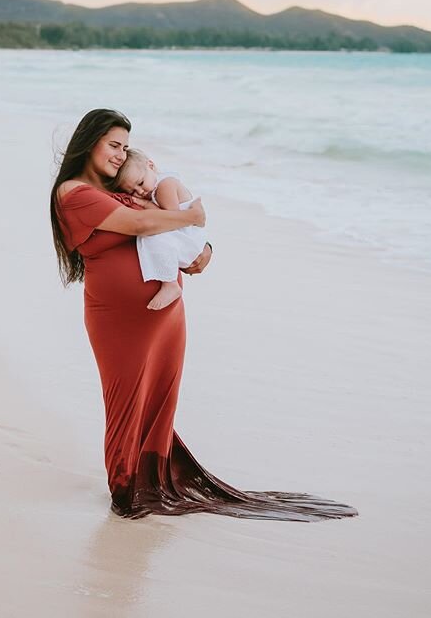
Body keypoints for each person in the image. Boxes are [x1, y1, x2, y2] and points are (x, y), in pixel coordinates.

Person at [50, 107, 357, 521]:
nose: (121, 155)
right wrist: (192, 217)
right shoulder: (74, 192)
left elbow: (162, 219)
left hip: (167, 316)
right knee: (125, 403)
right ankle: (125, 490)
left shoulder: (121, 187)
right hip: (120, 322)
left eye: (125, 147)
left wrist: (204, 248)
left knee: (159, 402)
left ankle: (151, 480)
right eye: (113, 145)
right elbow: (142, 226)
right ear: (90, 142)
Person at [112, 148, 207, 310]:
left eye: (141, 183)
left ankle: (170, 284)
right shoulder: (155, 186)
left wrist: (145, 205)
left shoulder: (165, 185)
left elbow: (171, 219)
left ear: (151, 165)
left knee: (153, 234)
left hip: (188, 237)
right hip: (184, 234)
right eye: (133, 191)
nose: (140, 192)